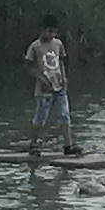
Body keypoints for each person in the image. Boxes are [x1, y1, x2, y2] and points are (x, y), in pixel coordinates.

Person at [24, 16, 72, 150]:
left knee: (64, 115)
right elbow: (29, 65)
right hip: (44, 88)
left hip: (59, 86)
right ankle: (33, 143)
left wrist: (64, 78)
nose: (52, 35)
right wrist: (41, 79)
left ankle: (68, 145)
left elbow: (61, 61)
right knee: (40, 117)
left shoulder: (58, 44)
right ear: (43, 30)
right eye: (49, 31)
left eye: (54, 32)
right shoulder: (35, 46)